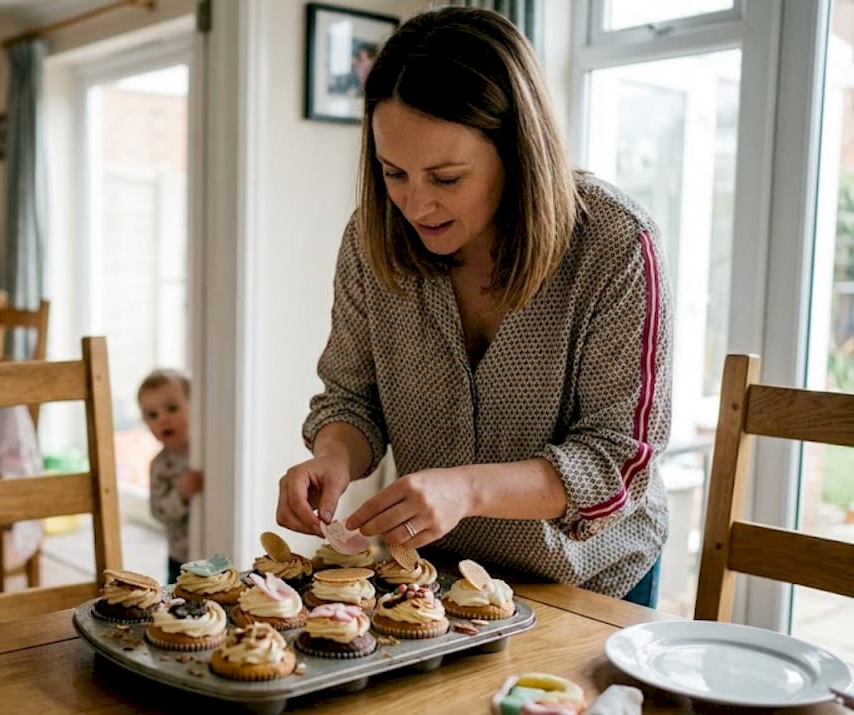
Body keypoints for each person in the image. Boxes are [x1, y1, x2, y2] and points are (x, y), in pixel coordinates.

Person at [275, 7, 672, 605]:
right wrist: (333, 457)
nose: (415, 204)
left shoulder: (614, 245)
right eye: (394, 173)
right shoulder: (372, 237)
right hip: (434, 579)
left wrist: (469, 489)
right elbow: (352, 398)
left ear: (515, 153)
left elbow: (618, 460)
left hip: (587, 585)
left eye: (447, 177)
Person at [140, 369, 204, 584]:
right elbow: (158, 511)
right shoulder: (160, 466)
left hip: (213, 544)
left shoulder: (207, 453)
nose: (163, 419)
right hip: (181, 555)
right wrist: (181, 495)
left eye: (172, 408)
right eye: (152, 415)